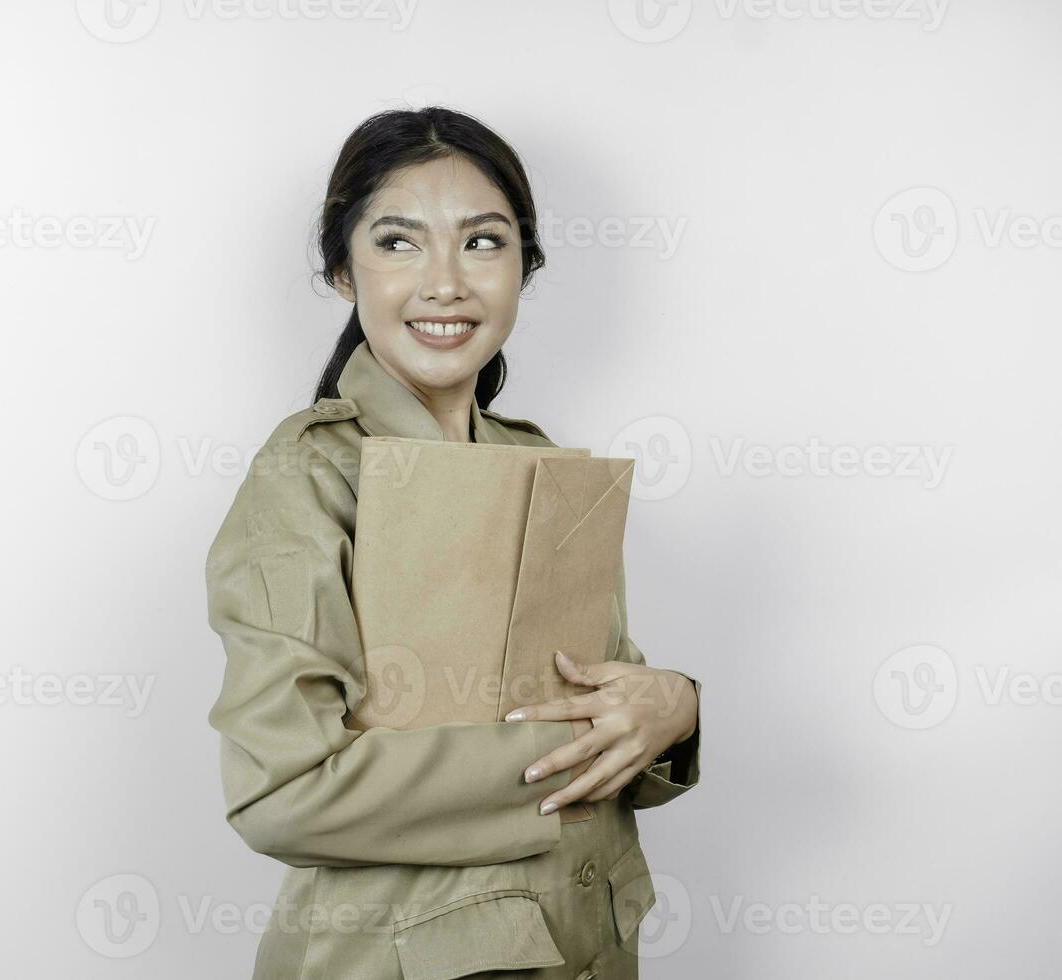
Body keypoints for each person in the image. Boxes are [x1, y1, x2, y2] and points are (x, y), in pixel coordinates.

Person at [205, 106, 701, 979]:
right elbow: (279, 789)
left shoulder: (546, 465)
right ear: (342, 272)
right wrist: (568, 757)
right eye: (398, 242)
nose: (446, 283)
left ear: (524, 266)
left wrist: (673, 711)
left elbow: (605, 695)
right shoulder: (310, 474)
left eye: (483, 242)